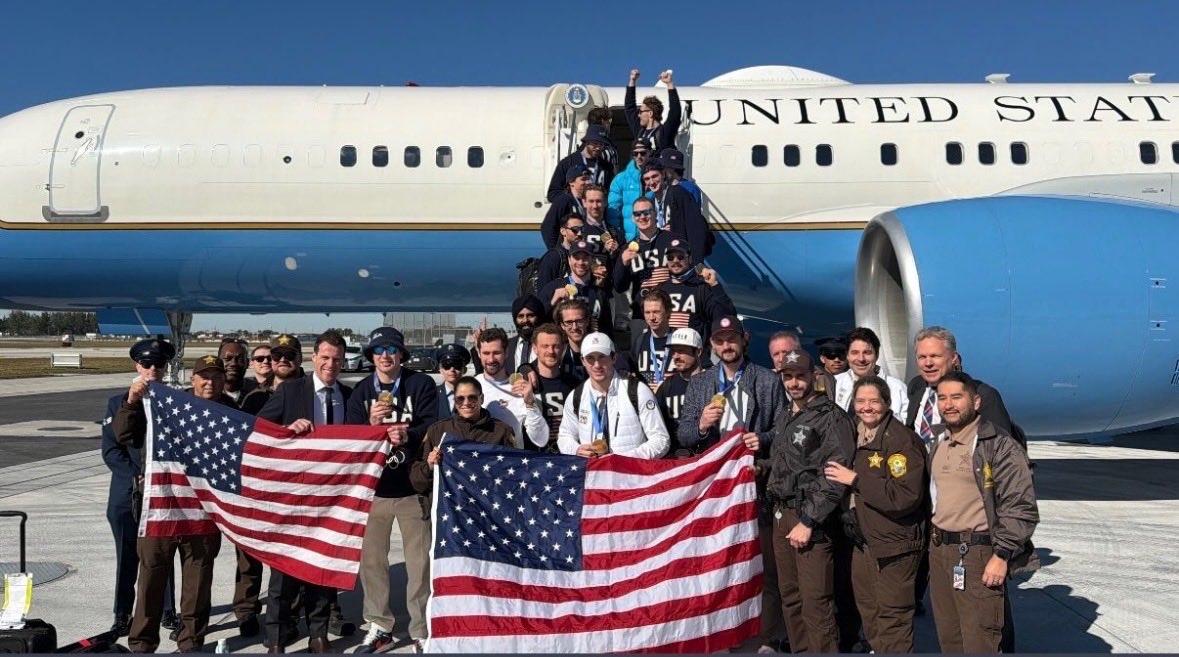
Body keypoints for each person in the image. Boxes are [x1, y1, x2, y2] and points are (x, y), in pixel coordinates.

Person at [116, 354, 231, 653]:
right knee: (151, 580)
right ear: (192, 379)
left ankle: (191, 642)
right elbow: (124, 434)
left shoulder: (232, 412)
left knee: (197, 585)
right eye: (204, 376)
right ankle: (142, 643)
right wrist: (131, 401)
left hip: (203, 512)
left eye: (217, 376)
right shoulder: (168, 405)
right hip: (161, 506)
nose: (210, 382)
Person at [257, 331, 354, 654]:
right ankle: (275, 638)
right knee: (282, 574)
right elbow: (258, 428)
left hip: (331, 501)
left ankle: (318, 631)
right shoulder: (291, 391)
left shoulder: (349, 395)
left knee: (322, 569)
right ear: (314, 357)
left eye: (337, 359)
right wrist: (286, 431)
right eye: (325, 357)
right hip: (292, 498)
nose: (331, 364)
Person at [927, 372, 1038, 653]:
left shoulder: (998, 445)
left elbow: (1021, 506)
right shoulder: (939, 443)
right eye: (942, 398)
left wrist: (1002, 555)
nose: (948, 404)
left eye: (956, 397)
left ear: (975, 402)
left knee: (981, 642)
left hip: (976, 553)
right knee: (950, 640)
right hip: (940, 552)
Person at [347, 327, 438, 654]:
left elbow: (433, 425)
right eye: (378, 350)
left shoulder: (421, 384)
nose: (385, 355)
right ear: (371, 356)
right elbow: (350, 440)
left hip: (413, 489)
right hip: (374, 491)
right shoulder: (360, 392)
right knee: (373, 563)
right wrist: (371, 427)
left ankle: (420, 629)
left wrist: (409, 435)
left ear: (401, 354)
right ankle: (380, 625)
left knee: (418, 564)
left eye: (391, 349)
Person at [760, 348, 855, 654]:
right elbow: (787, 464)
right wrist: (761, 467)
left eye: (800, 376)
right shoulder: (787, 414)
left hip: (809, 519)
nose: (794, 383)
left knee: (816, 602)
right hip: (781, 514)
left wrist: (809, 521)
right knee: (791, 596)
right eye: (788, 377)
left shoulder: (831, 418)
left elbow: (833, 475)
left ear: (814, 377)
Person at [823, 376, 928, 654]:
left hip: (894, 543)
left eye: (874, 401)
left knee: (893, 616)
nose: (867, 407)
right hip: (864, 540)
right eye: (860, 401)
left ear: (887, 403)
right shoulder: (854, 436)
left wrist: (856, 480)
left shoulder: (900, 441)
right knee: (869, 611)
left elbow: (905, 495)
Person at [101, 338, 178, 638]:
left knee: (163, 555)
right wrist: (138, 477)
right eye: (147, 364)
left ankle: (168, 610)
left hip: (162, 493)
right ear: (137, 365)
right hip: (126, 493)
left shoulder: (173, 402)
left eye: (159, 364)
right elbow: (111, 451)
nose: (153, 369)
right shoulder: (117, 403)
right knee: (127, 556)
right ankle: (123, 614)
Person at [678, 315, 786, 451]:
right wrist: (701, 425)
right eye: (719, 341)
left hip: (751, 465)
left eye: (731, 339)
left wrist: (763, 439)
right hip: (714, 468)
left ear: (744, 339)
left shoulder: (769, 381)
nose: (726, 346)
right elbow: (683, 436)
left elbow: (783, 429)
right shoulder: (698, 383)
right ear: (712, 344)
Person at [557, 332, 669, 459]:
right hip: (592, 474)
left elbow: (661, 440)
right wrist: (576, 449)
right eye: (590, 358)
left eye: (602, 357)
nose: (597, 365)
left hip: (629, 474)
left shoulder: (637, 391)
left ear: (614, 358)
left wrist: (624, 460)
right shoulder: (576, 396)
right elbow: (564, 437)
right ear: (583, 361)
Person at [411, 376, 516, 501]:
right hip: (449, 511)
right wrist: (429, 466)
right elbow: (417, 481)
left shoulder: (501, 431)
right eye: (460, 399)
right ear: (455, 401)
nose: (466, 403)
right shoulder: (437, 431)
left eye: (472, 397)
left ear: (481, 399)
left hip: (487, 510)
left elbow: (515, 475)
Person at [474, 327, 548, 449]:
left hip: (512, 463)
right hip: (479, 463)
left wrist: (530, 403)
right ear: (478, 353)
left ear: (506, 352)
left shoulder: (521, 388)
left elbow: (540, 439)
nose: (491, 359)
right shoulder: (470, 387)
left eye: (496, 353)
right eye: (486, 353)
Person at [658, 238, 736, 345]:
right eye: (670, 257)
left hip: (695, 354)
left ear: (689, 259)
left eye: (680, 257)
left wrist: (715, 285)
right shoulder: (660, 289)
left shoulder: (701, 288)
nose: (675, 261)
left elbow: (726, 318)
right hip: (665, 351)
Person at [516, 323, 580, 452]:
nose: (551, 351)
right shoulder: (523, 383)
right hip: (533, 461)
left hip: (567, 460)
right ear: (535, 348)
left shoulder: (576, 385)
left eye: (556, 346)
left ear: (563, 348)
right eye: (545, 346)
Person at [539, 240, 612, 336]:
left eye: (585, 258)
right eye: (576, 258)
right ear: (569, 260)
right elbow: (537, 320)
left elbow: (607, 329)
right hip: (560, 347)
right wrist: (552, 302)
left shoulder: (599, 293)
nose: (580, 262)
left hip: (590, 347)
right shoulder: (553, 287)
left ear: (592, 260)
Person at [834, 327, 909, 421]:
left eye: (867, 353)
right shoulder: (835, 384)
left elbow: (905, 428)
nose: (861, 359)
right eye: (855, 353)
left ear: (876, 355)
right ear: (847, 356)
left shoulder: (898, 388)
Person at [655, 328, 704, 456]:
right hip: (675, 461)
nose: (675, 356)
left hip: (707, 459)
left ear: (698, 352)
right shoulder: (666, 387)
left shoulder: (714, 384)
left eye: (681, 351)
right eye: (673, 351)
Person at [546, 125, 614, 204]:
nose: (598, 148)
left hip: (596, 212)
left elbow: (612, 193)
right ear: (587, 142)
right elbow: (552, 194)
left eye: (601, 145)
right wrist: (573, 201)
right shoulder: (568, 163)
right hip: (573, 213)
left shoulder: (606, 166)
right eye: (595, 143)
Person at [624, 69, 682, 152]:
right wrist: (632, 80)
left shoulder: (664, 133)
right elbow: (629, 108)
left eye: (640, 112)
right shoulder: (640, 131)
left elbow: (675, 113)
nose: (638, 115)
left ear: (650, 113)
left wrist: (670, 84)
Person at [768, 330, 835, 400]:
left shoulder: (818, 376)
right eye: (776, 354)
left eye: (785, 352)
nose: (781, 359)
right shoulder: (767, 380)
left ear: (799, 351)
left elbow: (825, 405)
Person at [608, 139, 653, 241]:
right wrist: (617, 235)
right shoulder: (620, 179)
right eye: (635, 153)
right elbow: (613, 211)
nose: (639, 156)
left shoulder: (657, 178)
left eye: (643, 153)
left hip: (651, 236)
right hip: (628, 238)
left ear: (650, 152)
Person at [630, 289, 674, 389]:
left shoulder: (680, 341)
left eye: (656, 312)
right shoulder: (639, 341)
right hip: (646, 402)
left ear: (668, 312)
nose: (652, 317)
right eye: (647, 312)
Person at [540, 165, 590, 249]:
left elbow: (600, 226)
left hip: (586, 250)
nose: (588, 182)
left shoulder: (590, 201)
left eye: (589, 179)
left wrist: (608, 240)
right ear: (571, 182)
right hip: (569, 251)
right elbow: (548, 227)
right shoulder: (563, 200)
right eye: (583, 179)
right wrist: (556, 251)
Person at [554, 299, 591, 381]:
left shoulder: (600, 346)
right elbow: (536, 366)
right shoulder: (558, 352)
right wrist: (526, 367)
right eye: (569, 322)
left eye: (579, 321)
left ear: (587, 321)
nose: (575, 327)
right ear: (562, 325)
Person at [434, 343, 471, 420]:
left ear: (464, 370)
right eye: (447, 365)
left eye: (457, 365)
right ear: (440, 370)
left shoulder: (472, 395)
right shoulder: (431, 394)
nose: (452, 370)